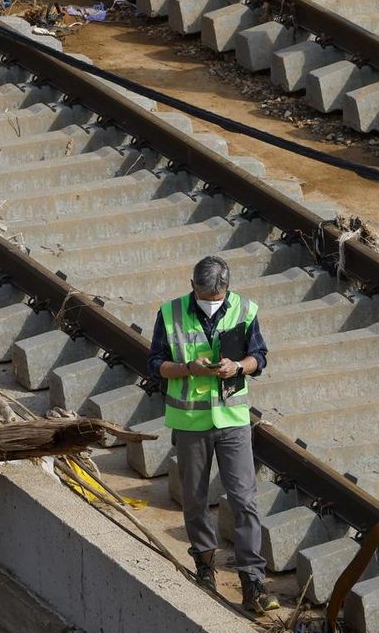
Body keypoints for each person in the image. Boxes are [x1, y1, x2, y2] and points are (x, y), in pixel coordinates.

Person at [148, 255, 279, 615]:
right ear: (193, 287)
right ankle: (204, 565)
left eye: (217, 296)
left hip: (232, 419)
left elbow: (260, 357)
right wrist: (187, 369)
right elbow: (155, 363)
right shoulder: (171, 312)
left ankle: (252, 580)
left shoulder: (245, 309)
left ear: (226, 288)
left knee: (244, 499)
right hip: (191, 423)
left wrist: (238, 366)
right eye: (205, 296)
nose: (211, 302)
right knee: (194, 498)